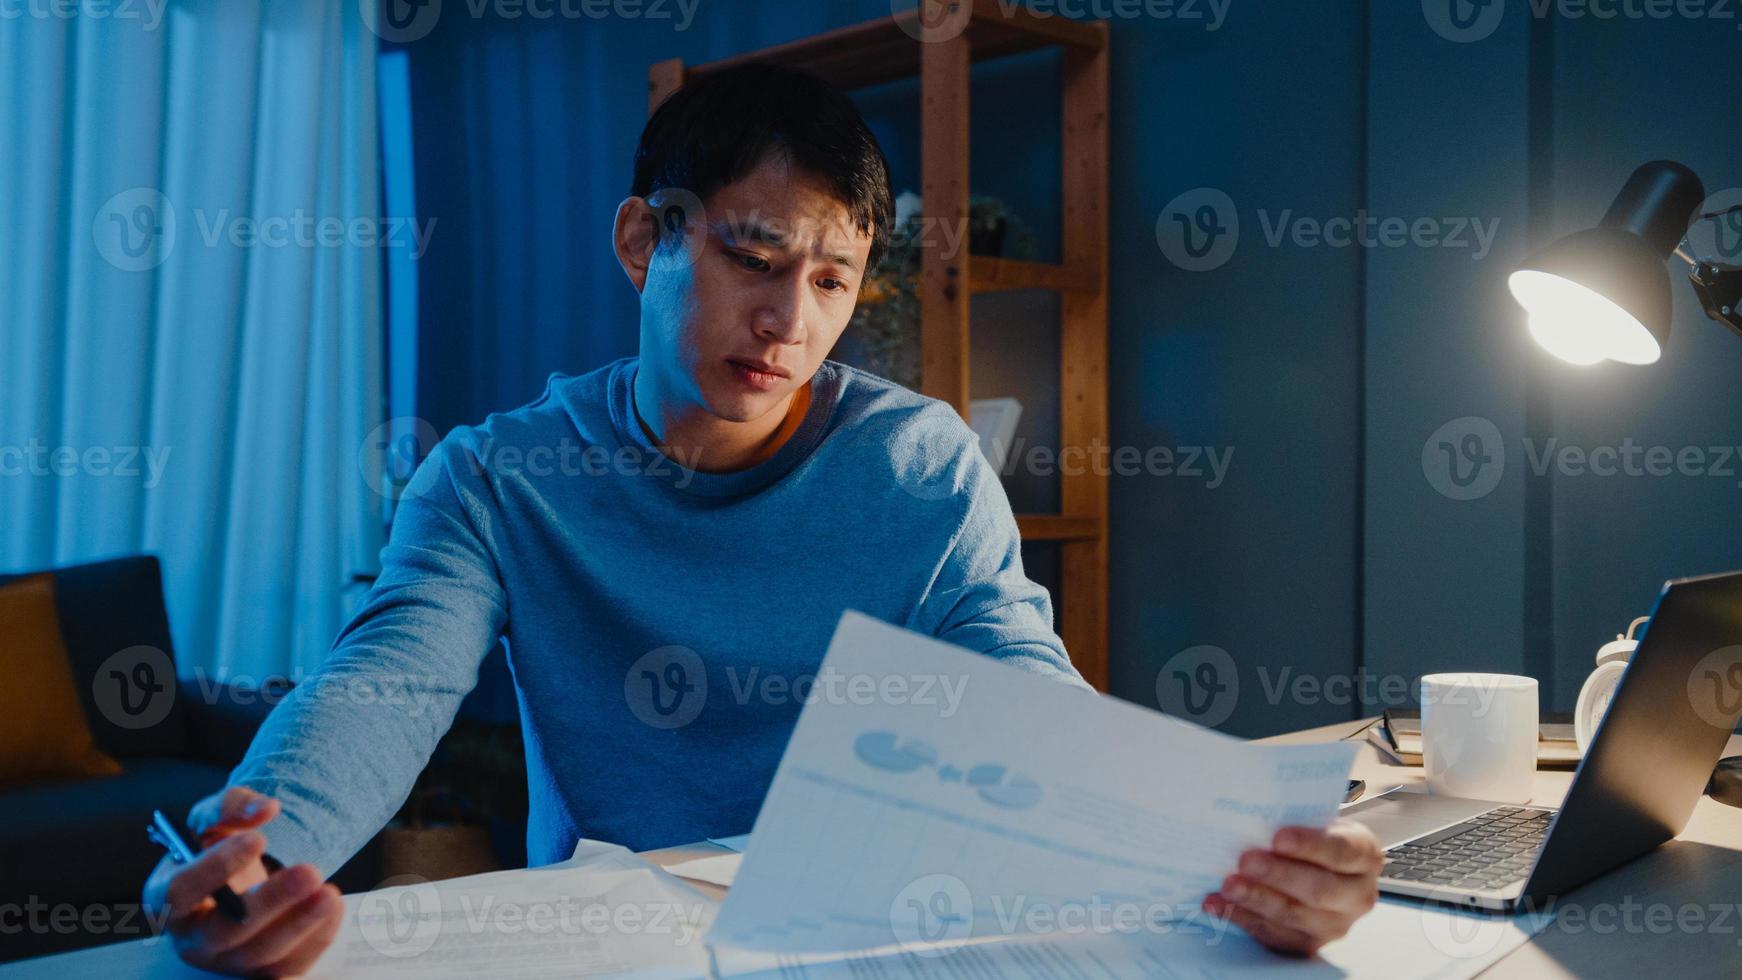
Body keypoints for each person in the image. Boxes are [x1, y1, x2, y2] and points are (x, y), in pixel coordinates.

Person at [143, 63, 1381, 975]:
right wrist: (256, 843)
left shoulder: (916, 466)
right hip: (628, 941)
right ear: (645, 240)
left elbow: (1024, 692)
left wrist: (1214, 858)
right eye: (753, 254)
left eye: (832, 279)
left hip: (882, 934)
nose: (790, 318)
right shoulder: (496, 479)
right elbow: (384, 683)